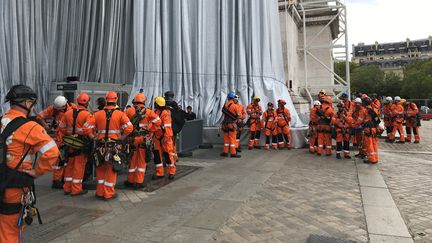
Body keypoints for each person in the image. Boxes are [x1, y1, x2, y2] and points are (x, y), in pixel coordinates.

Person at [0, 85, 59, 243]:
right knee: (10, 230)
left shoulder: (2, 121)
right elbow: (52, 152)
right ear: (27, 103)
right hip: (14, 187)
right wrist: (37, 172)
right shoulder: (29, 127)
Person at [88, 91, 133, 200]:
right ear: (116, 99)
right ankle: (108, 193)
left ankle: (99, 192)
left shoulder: (97, 114)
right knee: (111, 169)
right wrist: (121, 138)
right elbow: (129, 128)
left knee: (100, 167)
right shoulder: (120, 114)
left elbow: (86, 128)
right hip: (114, 146)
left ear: (106, 99)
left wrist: (92, 136)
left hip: (100, 145)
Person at [59, 93, 94, 196]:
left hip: (69, 143)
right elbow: (87, 129)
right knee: (79, 166)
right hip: (81, 144)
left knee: (69, 165)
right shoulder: (87, 115)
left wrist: (69, 136)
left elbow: (61, 128)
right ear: (87, 102)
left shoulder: (68, 113)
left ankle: (67, 188)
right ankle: (76, 189)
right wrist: (92, 137)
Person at [124, 93, 161, 188]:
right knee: (141, 160)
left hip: (132, 139)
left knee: (132, 159)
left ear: (134, 101)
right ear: (144, 101)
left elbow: (123, 123)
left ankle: (130, 180)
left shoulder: (128, 111)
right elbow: (158, 121)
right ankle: (139, 181)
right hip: (144, 139)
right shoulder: (148, 112)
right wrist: (151, 131)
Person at [36, 95, 74, 189]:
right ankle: (56, 181)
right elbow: (39, 116)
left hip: (70, 138)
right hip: (60, 139)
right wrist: (47, 127)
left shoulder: (73, 109)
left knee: (67, 160)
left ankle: (62, 178)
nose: (57, 111)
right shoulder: (53, 109)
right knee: (60, 160)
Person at [153, 97, 178, 178]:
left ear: (157, 104)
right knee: (157, 156)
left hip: (165, 138)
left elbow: (167, 127)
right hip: (157, 137)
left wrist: (166, 137)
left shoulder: (165, 113)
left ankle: (172, 172)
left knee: (168, 155)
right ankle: (159, 173)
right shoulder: (155, 112)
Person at [359, 97, 381, 164]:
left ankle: (371, 159)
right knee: (374, 144)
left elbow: (360, 121)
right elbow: (377, 120)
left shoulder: (364, 111)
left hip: (367, 129)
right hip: (374, 129)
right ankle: (375, 158)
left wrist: (353, 124)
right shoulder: (375, 110)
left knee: (369, 144)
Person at [220, 92, 242, 157]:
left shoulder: (225, 105)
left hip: (225, 124)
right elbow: (239, 115)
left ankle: (225, 152)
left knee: (226, 138)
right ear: (233, 98)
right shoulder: (235, 106)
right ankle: (233, 153)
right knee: (232, 138)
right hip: (231, 124)